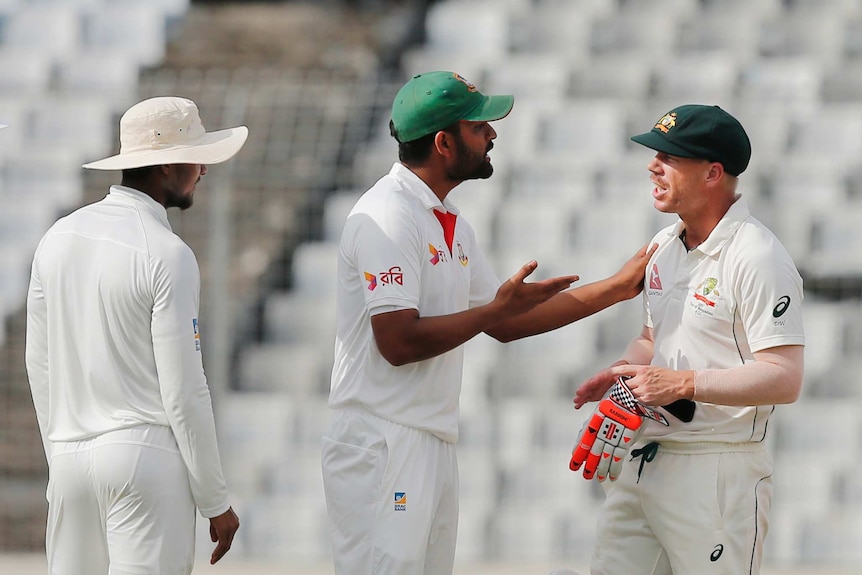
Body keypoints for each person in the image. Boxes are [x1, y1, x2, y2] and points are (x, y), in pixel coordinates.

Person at [320, 70, 657, 575]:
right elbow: (397, 341)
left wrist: (615, 287)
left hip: (427, 437)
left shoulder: (447, 219)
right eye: (479, 127)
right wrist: (493, 312)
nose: (492, 134)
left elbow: (503, 322)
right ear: (443, 142)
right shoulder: (389, 215)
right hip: (382, 440)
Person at [572, 104, 806, 574]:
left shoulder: (757, 255)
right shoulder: (662, 245)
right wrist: (623, 373)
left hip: (716, 470)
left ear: (713, 173)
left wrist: (681, 384)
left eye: (670, 157)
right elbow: (650, 338)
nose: (652, 166)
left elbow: (785, 378)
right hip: (643, 459)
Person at [25, 96, 248, 574]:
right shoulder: (167, 252)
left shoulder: (57, 238)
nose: (203, 171)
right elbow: (185, 390)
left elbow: (38, 366)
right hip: (143, 458)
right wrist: (215, 500)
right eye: (196, 159)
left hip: (68, 461)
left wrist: (59, 457)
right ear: (167, 165)